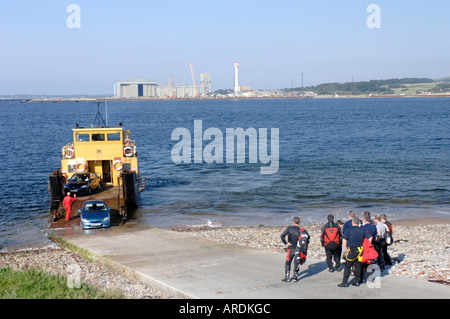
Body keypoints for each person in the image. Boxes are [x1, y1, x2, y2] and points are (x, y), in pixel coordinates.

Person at [338, 217, 372, 287]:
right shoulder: (362, 229)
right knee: (358, 266)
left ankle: (344, 282)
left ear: (352, 222)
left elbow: (344, 240)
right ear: (358, 223)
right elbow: (370, 237)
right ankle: (357, 281)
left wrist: (345, 248)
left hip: (352, 250)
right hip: (360, 250)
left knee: (348, 266)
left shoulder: (348, 230)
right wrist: (367, 246)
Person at [280, 217, 310, 282]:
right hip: (298, 249)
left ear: (293, 221)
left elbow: (282, 236)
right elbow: (308, 239)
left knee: (288, 262)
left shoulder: (289, 228)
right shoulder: (302, 230)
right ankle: (295, 276)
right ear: (299, 222)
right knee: (296, 262)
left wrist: (286, 243)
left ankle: (287, 277)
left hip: (290, 248)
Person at [360, 211, 377, 283]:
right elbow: (375, 238)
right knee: (370, 262)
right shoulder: (374, 227)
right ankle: (370, 278)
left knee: (363, 262)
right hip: (371, 246)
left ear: (364, 219)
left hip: (364, 245)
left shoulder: (362, 228)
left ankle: (363, 278)